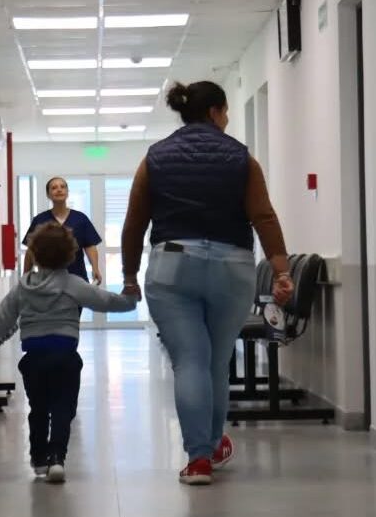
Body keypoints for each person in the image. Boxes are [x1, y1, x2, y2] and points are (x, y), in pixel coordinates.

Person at [120, 80, 294, 486]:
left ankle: (199, 458)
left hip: (172, 264)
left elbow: (134, 222)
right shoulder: (241, 158)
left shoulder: (155, 158)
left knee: (190, 361)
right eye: (227, 112)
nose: (228, 119)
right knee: (217, 360)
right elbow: (263, 217)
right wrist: (282, 270)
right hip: (232, 265)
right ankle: (212, 446)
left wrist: (129, 273)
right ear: (215, 112)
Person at [0, 222, 136, 483]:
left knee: (38, 408)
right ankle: (57, 456)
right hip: (65, 356)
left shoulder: (23, 287)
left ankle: (38, 457)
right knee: (62, 408)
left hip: (33, 359)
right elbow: (105, 301)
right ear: (70, 253)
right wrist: (129, 300)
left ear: (33, 253)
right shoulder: (73, 283)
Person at [23, 177, 103, 284]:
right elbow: (31, 250)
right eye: (54, 188)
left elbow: (90, 246)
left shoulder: (81, 219)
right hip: (47, 281)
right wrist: (26, 274)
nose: (59, 190)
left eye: (63, 187)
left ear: (67, 192)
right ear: (48, 194)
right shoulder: (40, 220)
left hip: (77, 278)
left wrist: (95, 268)